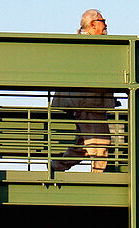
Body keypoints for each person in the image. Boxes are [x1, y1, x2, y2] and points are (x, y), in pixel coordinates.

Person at [50, 9, 116, 173]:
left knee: (84, 145)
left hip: (90, 104)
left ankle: (55, 166)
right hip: (88, 104)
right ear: (93, 24)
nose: (105, 24)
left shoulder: (85, 45)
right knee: (100, 145)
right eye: (103, 20)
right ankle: (98, 183)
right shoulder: (87, 46)